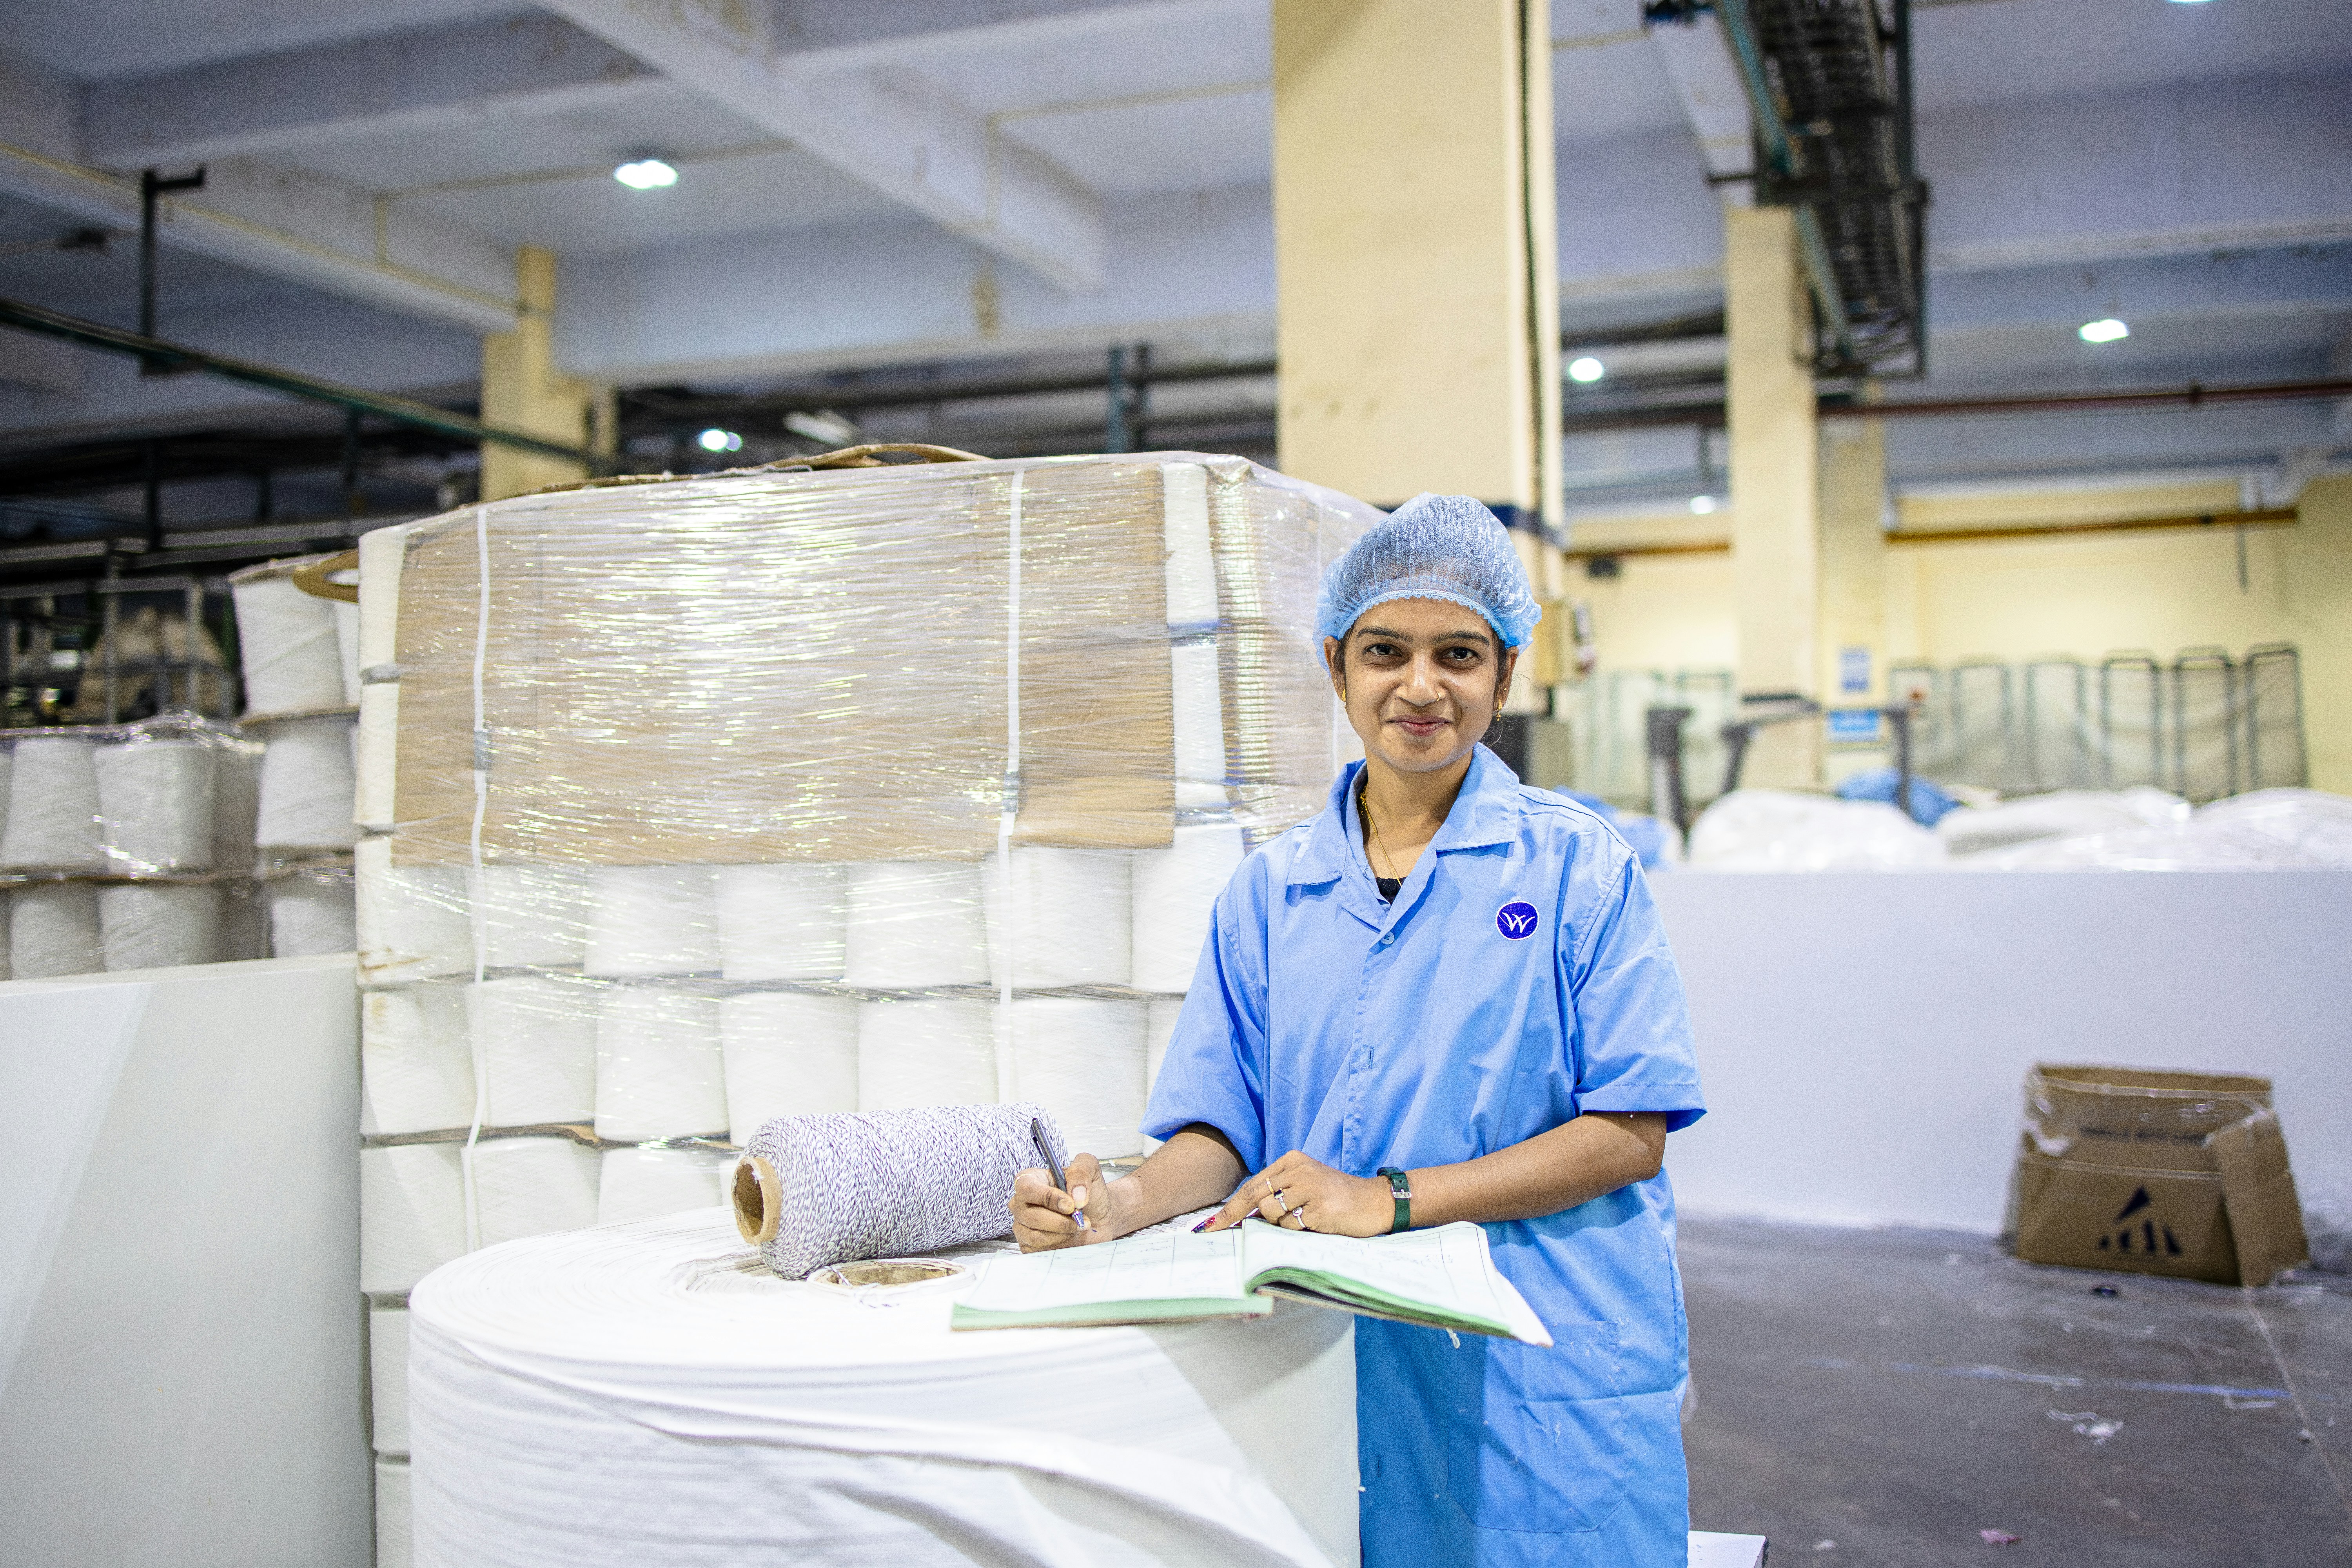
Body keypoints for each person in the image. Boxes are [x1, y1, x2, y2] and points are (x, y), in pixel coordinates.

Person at [1009, 492, 1706, 1567]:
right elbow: (1221, 1132)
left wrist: (1385, 1200)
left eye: (1459, 656)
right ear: (1338, 667)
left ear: (1506, 676)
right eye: (1387, 652)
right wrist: (1122, 1204)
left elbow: (1631, 1130)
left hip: (1543, 1355)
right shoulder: (1271, 892)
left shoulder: (1579, 870)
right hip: (1336, 1348)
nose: (1421, 688)